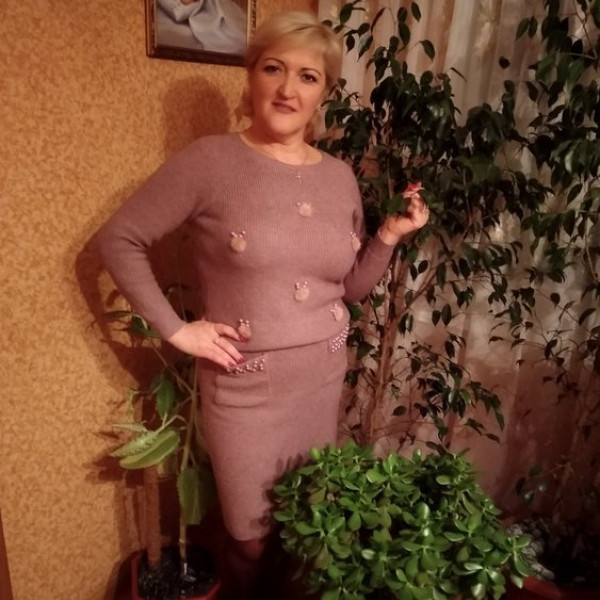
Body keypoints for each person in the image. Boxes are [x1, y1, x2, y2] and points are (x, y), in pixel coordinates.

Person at [96, 11, 429, 599]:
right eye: (274, 68)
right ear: (251, 76)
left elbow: (349, 289)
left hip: (321, 379)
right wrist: (177, 330)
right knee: (248, 538)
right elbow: (119, 239)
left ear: (324, 92)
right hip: (244, 387)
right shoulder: (210, 161)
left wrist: (388, 236)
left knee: (302, 526)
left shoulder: (340, 177)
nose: (287, 89)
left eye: (308, 76)